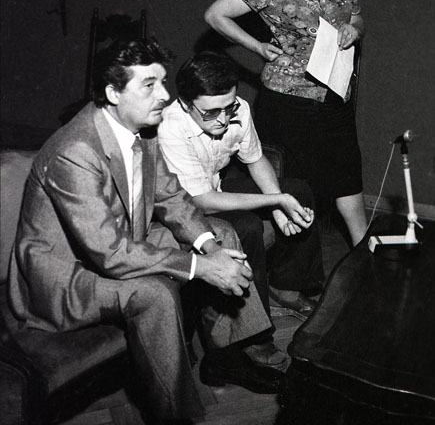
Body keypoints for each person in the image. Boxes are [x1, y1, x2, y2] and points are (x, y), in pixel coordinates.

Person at [8, 39, 284, 425]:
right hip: (66, 278)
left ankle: (226, 356)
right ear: (113, 93)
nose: (165, 95)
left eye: (163, 82)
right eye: (149, 85)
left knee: (220, 234)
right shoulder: (75, 151)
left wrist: (209, 249)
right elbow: (109, 253)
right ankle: (176, 416)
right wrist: (200, 267)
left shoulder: (142, 129)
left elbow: (171, 197)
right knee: (155, 294)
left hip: (120, 243)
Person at [204, 0, 367, 246]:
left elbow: (357, 18)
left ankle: (363, 258)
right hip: (289, 103)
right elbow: (215, 14)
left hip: (335, 97)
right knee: (296, 192)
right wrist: (257, 46)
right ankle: (292, 273)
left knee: (348, 182)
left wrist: (354, 29)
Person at [158, 51, 325, 369]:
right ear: (186, 104)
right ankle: (253, 337)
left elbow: (255, 159)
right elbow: (201, 201)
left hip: (214, 189)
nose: (223, 119)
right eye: (211, 112)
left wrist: (279, 202)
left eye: (229, 107)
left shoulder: (240, 110)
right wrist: (275, 202)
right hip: (181, 211)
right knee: (246, 226)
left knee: (298, 190)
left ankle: (286, 288)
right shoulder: (170, 126)